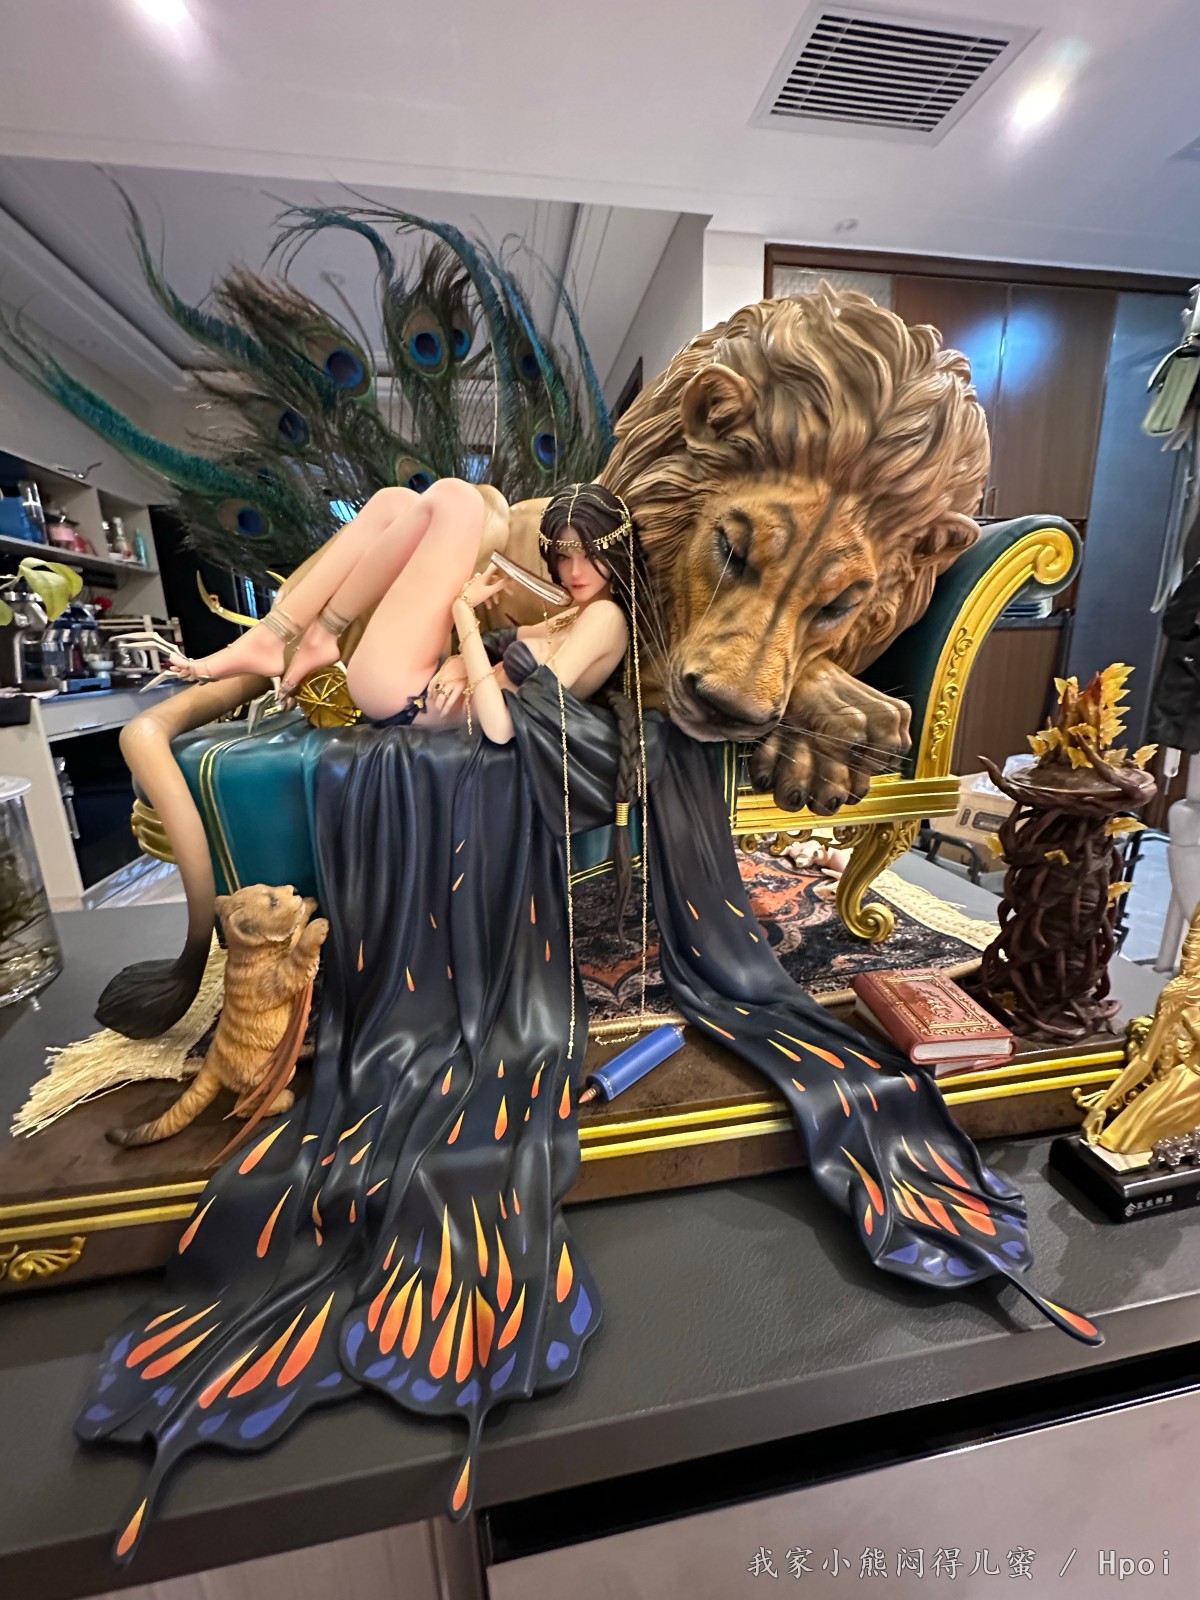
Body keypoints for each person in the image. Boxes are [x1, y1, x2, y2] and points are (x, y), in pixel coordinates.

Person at [159, 479, 633, 745]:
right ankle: (290, 636)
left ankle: (309, 635)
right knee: (396, 504)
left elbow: (503, 726)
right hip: (422, 682)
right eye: (564, 557)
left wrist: (464, 615)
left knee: (457, 500)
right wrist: (457, 661)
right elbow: (502, 647)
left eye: (589, 554)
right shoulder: (575, 613)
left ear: (615, 552)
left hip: (409, 701)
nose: (574, 571)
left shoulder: (605, 619)